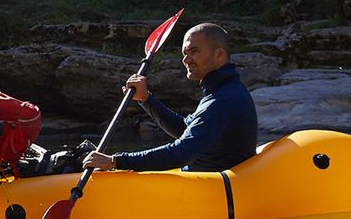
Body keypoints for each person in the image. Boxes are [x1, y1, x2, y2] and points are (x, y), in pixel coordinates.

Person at [82, 22, 257, 172]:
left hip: (212, 192)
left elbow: (181, 153)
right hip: (202, 182)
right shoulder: (221, 93)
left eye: (194, 51)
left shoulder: (224, 100)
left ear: (219, 54)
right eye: (184, 53)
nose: (185, 60)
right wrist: (146, 99)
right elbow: (183, 129)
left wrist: (115, 161)